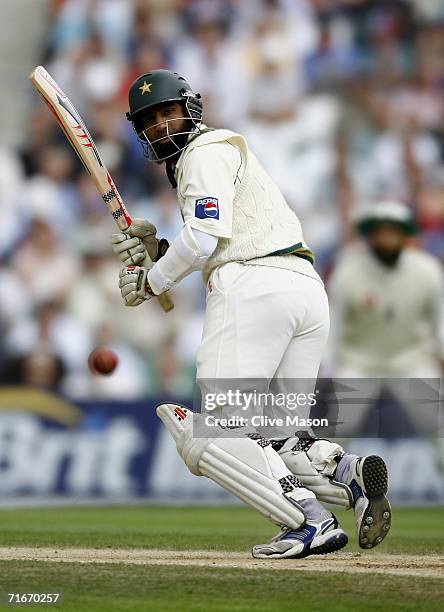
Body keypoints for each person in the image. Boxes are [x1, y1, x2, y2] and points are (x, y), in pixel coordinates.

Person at [111, 69, 391, 558]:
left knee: (216, 430)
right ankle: (347, 477)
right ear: (140, 132)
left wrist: (152, 282)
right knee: (280, 437)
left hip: (253, 288)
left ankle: (308, 521)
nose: (159, 125)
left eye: (167, 112)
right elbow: (221, 230)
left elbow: (203, 238)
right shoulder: (219, 154)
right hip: (303, 286)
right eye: (149, 120)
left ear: (190, 109)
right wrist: (157, 250)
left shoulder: (203, 150)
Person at [327, 200, 444, 435]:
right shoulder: (347, 271)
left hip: (411, 359)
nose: (387, 239)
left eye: (393, 232)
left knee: (439, 427)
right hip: (358, 362)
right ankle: (326, 472)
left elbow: (439, 323)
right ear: (369, 236)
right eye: (380, 232)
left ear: (405, 236)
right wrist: (327, 366)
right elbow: (333, 326)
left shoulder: (428, 271)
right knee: (339, 430)